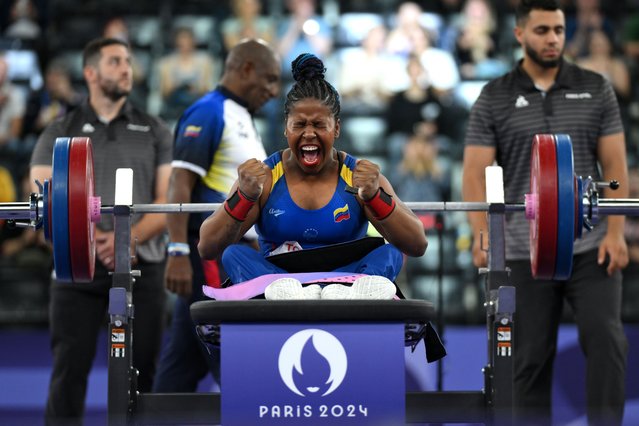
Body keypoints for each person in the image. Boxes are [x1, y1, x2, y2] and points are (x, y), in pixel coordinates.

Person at [461, 1, 628, 425]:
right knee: (527, 358)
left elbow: (615, 167)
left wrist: (614, 233)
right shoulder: (494, 95)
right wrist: (481, 234)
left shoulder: (596, 87)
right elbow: (475, 175)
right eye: (541, 30)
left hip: (588, 247)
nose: (552, 38)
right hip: (521, 250)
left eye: (557, 29)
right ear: (519, 34)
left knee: (607, 341)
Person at [198, 53, 427, 300]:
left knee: (389, 252)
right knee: (234, 254)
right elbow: (208, 247)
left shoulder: (358, 175)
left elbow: (417, 245)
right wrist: (243, 197)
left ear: (336, 128)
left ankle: (349, 293)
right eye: (300, 125)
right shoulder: (264, 177)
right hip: (280, 282)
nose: (309, 134)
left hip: (345, 283)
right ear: (286, 127)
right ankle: (290, 292)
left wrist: (375, 197)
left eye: (319, 125)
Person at [29, 37, 173, 425]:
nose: (126, 68)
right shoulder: (60, 130)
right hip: (76, 269)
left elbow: (166, 200)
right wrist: (94, 239)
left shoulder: (156, 129)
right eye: (115, 61)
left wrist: (129, 238)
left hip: (143, 267)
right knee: (68, 373)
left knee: (144, 375)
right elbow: (46, 197)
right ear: (90, 73)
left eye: (128, 60)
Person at [152, 38, 281, 392]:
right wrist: (176, 250)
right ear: (247, 69)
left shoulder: (241, 117)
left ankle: (158, 417)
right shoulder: (210, 111)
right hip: (214, 254)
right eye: (269, 79)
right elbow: (180, 184)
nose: (273, 90)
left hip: (231, 254)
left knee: (184, 358)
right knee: (234, 355)